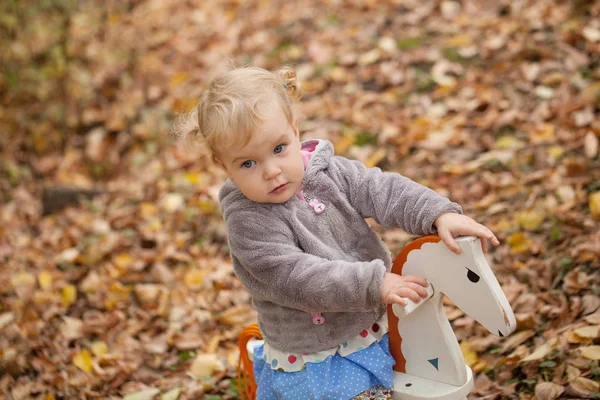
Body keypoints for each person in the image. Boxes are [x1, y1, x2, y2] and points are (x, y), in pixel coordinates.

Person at [172, 66, 499, 400]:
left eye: (279, 148)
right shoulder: (248, 223)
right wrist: (374, 282)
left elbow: (380, 189)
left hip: (377, 319)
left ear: (295, 131)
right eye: (247, 164)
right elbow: (296, 277)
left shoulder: (329, 172)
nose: (272, 171)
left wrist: (436, 213)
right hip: (320, 356)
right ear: (223, 166)